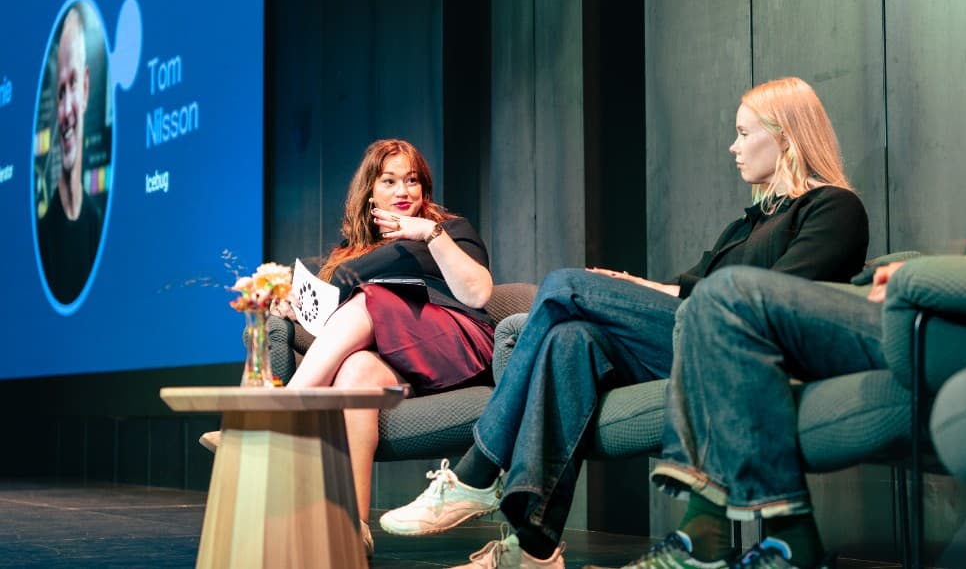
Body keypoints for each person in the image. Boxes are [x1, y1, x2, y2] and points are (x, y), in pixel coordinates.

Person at [609, 0, 966, 569]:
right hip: (943, 309)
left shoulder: (832, 205)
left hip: (960, 329)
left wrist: (918, 279)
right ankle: (749, 538)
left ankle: (742, 536)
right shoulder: (747, 220)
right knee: (689, 301)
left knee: (720, 298)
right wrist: (930, 273)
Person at [381, 77, 871, 569]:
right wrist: (629, 286)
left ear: (784, 135)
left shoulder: (833, 207)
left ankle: (480, 467)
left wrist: (612, 293)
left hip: (751, 344)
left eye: (744, 134)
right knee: (569, 338)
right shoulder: (748, 222)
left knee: (563, 285)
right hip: (691, 333)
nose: (733, 146)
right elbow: (685, 288)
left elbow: (771, 298)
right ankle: (532, 551)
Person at [202, 139, 496, 558]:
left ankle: (276, 416)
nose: (403, 191)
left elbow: (479, 292)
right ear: (370, 193)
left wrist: (428, 234)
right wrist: (290, 309)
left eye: (412, 181)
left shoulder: (448, 229)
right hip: (398, 362)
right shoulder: (349, 257)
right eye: (390, 181)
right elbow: (326, 328)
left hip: (456, 345)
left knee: (370, 301)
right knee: (355, 372)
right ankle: (353, 528)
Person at [37, 5, 102, 305]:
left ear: (87, 88)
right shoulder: (42, 237)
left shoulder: (97, 224)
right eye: (59, 91)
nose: (65, 111)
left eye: (73, 84)